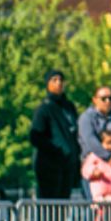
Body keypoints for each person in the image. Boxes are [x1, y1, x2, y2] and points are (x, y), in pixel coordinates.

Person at [29, 69, 80, 198]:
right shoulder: (44, 109)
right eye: (54, 80)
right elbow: (35, 137)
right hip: (49, 166)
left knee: (63, 206)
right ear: (47, 84)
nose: (58, 83)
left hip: (68, 165)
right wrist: (56, 150)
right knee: (49, 208)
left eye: (61, 80)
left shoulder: (69, 107)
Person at [79, 85, 111, 163]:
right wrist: (109, 157)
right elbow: (90, 141)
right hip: (94, 166)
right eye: (103, 98)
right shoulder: (86, 118)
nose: (108, 101)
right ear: (94, 100)